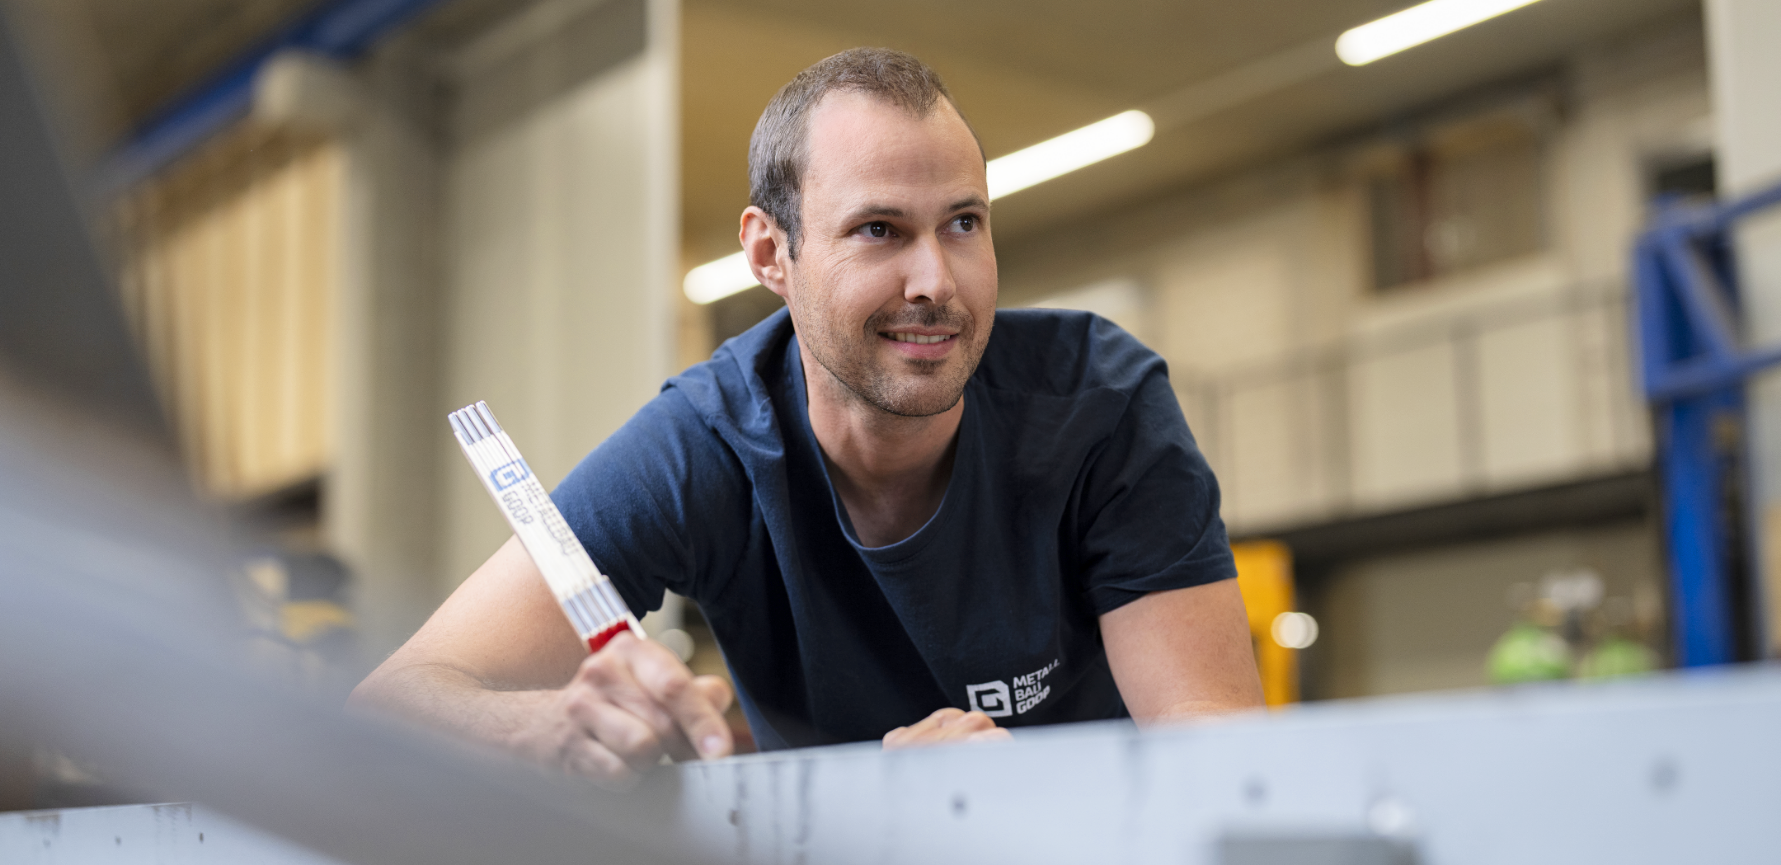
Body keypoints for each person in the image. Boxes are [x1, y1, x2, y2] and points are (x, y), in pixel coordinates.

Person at [350, 47, 1264, 787]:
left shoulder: (1098, 403)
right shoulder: (703, 446)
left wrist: (1006, 790)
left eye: (962, 223)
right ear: (769, 254)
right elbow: (393, 701)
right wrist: (552, 724)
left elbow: (1216, 745)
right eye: (878, 230)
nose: (934, 282)